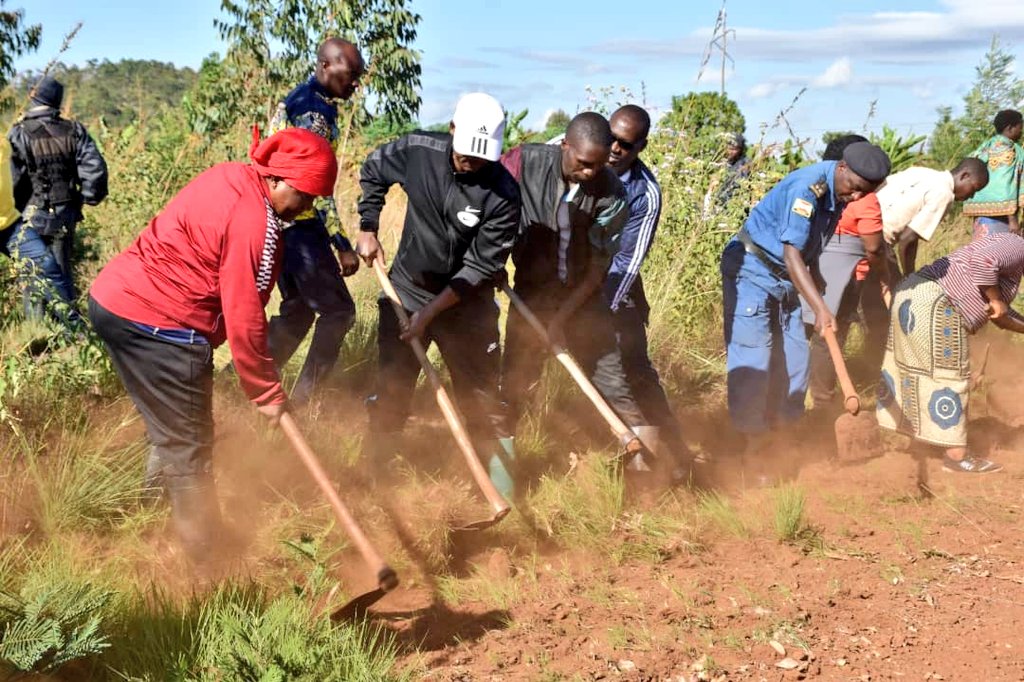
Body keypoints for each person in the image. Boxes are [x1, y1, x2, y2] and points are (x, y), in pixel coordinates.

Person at [89, 127, 338, 562]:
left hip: (114, 302)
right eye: (305, 195)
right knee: (191, 447)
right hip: (161, 325)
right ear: (277, 178)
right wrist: (265, 391)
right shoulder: (255, 222)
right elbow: (244, 312)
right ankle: (208, 563)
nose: (306, 208)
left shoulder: (231, 175)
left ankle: (151, 519)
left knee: (170, 429)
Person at [354, 93, 521, 495]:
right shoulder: (419, 151)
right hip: (407, 290)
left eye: (483, 158)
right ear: (452, 131)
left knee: (483, 401)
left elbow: (479, 268)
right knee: (392, 389)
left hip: (468, 304)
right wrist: (367, 225)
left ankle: (500, 490)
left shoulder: (504, 194)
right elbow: (374, 169)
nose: (472, 163)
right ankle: (374, 482)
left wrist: (430, 315)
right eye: (466, 154)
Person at [721, 141, 890, 461]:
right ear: (842, 168)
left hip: (785, 277)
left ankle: (785, 436)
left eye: (863, 195)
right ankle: (753, 449)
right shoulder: (808, 189)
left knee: (795, 359)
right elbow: (791, 252)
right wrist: (821, 306)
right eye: (853, 189)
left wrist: (817, 278)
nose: (854, 198)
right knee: (754, 358)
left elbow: (809, 244)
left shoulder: (841, 191)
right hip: (752, 269)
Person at [500, 112, 652, 467]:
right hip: (530, 294)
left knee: (613, 382)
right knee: (515, 384)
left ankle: (645, 476)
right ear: (564, 145)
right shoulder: (522, 163)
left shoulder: (612, 193)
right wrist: (491, 263)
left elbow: (599, 267)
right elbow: (495, 213)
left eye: (598, 167)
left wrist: (563, 319)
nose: (590, 174)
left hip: (582, 299)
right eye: (584, 164)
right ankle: (503, 472)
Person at [265, 38, 365, 405]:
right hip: (300, 227)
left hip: (281, 224)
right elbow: (313, 185)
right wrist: (342, 246)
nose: (355, 83)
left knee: (300, 310)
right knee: (339, 312)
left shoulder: (304, 98)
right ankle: (305, 405)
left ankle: (243, 385)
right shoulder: (315, 115)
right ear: (325, 66)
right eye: (350, 74)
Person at [877, 232, 1024, 473]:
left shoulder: (1008, 245)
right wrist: (996, 298)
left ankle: (923, 440)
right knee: (951, 376)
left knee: (919, 373)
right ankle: (956, 457)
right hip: (937, 303)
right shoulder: (1018, 245)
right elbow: (982, 263)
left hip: (913, 296)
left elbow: (1001, 316)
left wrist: (998, 304)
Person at [603, 104, 694, 468]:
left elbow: (626, 263)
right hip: (560, 285)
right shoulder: (574, 152)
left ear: (640, 147)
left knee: (635, 372)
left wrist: (596, 314)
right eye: (610, 138)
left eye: (624, 144)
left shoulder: (644, 194)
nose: (613, 149)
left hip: (614, 291)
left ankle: (674, 458)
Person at [7, 76, 108, 333]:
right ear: (56, 102)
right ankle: (70, 333)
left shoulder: (18, 133)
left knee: (33, 275)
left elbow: (13, 178)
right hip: (66, 212)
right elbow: (94, 168)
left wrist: (18, 209)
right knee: (62, 271)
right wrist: (88, 196)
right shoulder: (74, 130)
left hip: (31, 213)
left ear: (34, 97)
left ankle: (37, 332)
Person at [803, 134, 895, 408]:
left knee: (803, 333)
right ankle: (822, 404)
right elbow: (875, 249)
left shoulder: (816, 187)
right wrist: (884, 276)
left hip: (809, 268)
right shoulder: (865, 199)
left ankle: (797, 400)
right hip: (847, 277)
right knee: (830, 337)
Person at [876, 159, 989, 276]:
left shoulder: (921, 171)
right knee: (895, 290)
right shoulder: (945, 194)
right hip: (878, 240)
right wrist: (908, 277)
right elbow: (908, 239)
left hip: (860, 222)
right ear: (964, 176)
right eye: (974, 189)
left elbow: (881, 186)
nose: (972, 196)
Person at [963, 109, 1023, 240]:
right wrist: (1012, 219)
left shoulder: (985, 147)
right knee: (999, 256)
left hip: (982, 216)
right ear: (1010, 128)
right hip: (1002, 218)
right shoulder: (1007, 150)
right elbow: (1005, 184)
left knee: (981, 254)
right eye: (1020, 128)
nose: (1021, 132)